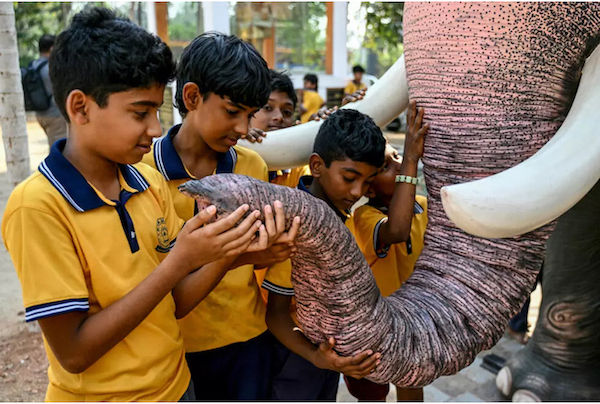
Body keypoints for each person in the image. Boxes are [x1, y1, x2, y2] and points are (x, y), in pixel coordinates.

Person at [1, 7, 267, 401]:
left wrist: (221, 254)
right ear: (80, 108)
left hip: (178, 385)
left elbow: (173, 304)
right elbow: (73, 353)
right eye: (140, 113)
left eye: (157, 111)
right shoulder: (38, 207)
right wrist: (182, 260)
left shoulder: (147, 182)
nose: (156, 129)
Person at [141, 32, 300, 401]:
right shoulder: (144, 174)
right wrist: (229, 252)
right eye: (232, 112)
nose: (244, 130)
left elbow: (259, 254)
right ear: (192, 97)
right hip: (177, 348)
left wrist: (269, 248)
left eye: (249, 114)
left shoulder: (251, 165)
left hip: (247, 339)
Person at [263, 109, 388, 400]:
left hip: (323, 358)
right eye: (349, 177)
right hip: (293, 358)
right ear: (317, 166)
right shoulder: (297, 225)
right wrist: (315, 356)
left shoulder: (338, 215)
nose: (358, 191)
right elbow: (277, 313)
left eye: (367, 182)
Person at [345, 101, 429, 401]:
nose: (397, 164)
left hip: (410, 323)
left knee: (410, 382)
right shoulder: (364, 217)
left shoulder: (424, 204)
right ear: (367, 188)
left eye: (396, 156)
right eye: (385, 166)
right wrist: (409, 159)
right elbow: (396, 230)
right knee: (371, 392)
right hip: (371, 329)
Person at [245, 69, 310, 188]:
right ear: (246, 113)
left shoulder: (298, 168)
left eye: (287, 112)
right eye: (267, 108)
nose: (279, 117)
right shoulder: (231, 157)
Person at [32, 34, 68, 147]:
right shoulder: (51, 67)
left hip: (40, 114)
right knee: (60, 149)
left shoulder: (33, 65)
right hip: (55, 115)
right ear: (52, 48)